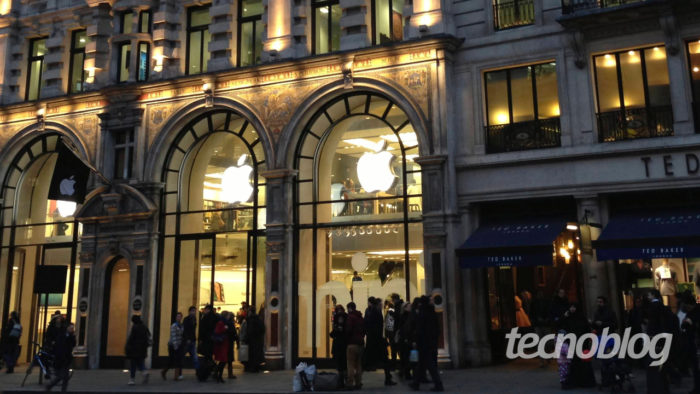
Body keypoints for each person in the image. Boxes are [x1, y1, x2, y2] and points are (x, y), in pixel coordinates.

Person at [410, 296, 444, 392]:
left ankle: (438, 384)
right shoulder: (432, 313)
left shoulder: (422, 313)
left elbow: (419, 330)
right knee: (421, 365)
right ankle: (416, 383)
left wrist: (416, 341)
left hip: (424, 344)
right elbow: (437, 329)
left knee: (429, 365)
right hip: (430, 343)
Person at [559, 303, 596, 388]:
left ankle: (584, 381)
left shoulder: (582, 318)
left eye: (574, 307)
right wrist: (564, 316)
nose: (572, 309)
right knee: (575, 362)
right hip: (573, 343)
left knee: (583, 362)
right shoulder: (568, 318)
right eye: (571, 307)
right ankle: (577, 381)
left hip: (582, 343)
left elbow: (586, 330)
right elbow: (560, 325)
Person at [363, 297, 396, 386]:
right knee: (384, 361)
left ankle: (388, 378)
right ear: (378, 304)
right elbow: (375, 328)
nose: (382, 306)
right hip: (376, 340)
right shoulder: (376, 313)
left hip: (373, 340)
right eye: (381, 304)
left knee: (369, 361)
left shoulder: (371, 312)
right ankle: (388, 379)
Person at [45, 322, 76, 392]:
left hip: (67, 359)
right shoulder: (62, 336)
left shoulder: (71, 336)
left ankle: (62, 390)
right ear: (67, 328)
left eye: (73, 328)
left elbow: (73, 344)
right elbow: (59, 347)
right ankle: (50, 386)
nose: (72, 329)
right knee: (61, 376)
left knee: (65, 377)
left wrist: (72, 336)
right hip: (60, 359)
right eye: (71, 328)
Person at [125, 315, 151, 385]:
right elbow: (148, 336)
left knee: (133, 365)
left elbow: (131, 338)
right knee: (141, 363)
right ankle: (144, 372)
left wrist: (127, 347)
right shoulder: (144, 327)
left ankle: (132, 379)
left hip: (134, 349)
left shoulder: (135, 327)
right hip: (142, 349)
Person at [345, 302, 365, 390]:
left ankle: (350, 383)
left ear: (349, 308)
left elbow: (348, 330)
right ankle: (358, 382)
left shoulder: (350, 317)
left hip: (352, 343)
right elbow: (364, 330)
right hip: (360, 343)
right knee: (359, 365)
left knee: (350, 365)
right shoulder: (360, 317)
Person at [161, 312, 184, 381]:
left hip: (179, 345)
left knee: (178, 360)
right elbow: (173, 336)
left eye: (180, 316)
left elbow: (182, 335)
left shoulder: (181, 325)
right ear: (176, 318)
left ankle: (176, 376)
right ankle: (164, 371)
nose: (179, 318)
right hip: (172, 345)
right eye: (178, 316)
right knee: (171, 361)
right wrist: (175, 346)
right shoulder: (174, 326)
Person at [330, 304, 348, 388]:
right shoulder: (346, 317)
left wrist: (335, 329)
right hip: (345, 344)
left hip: (339, 344)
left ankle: (342, 382)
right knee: (344, 364)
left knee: (340, 364)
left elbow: (334, 333)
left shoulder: (337, 317)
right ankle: (345, 381)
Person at [243, 306, 265, 372]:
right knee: (257, 354)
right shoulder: (259, 319)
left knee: (250, 354)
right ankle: (256, 367)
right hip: (258, 340)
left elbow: (248, 331)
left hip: (250, 340)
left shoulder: (248, 320)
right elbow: (263, 329)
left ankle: (250, 367)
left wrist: (246, 338)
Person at [212, 311, 230, 383]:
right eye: (228, 316)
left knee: (223, 361)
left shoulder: (223, 323)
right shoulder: (221, 323)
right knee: (223, 361)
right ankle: (217, 375)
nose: (229, 317)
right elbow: (217, 332)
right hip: (221, 345)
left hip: (223, 344)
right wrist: (225, 328)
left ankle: (218, 375)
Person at [397, 302, 414, 380]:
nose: (411, 307)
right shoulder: (406, 316)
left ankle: (403, 372)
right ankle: (406, 373)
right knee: (406, 357)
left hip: (404, 339)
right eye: (409, 306)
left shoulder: (405, 316)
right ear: (405, 308)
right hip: (405, 340)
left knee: (405, 357)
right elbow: (403, 329)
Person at [182, 306, 199, 372]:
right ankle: (179, 371)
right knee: (182, 356)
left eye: (194, 311)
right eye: (193, 311)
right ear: (189, 312)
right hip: (187, 341)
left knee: (195, 357)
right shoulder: (186, 319)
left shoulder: (194, 319)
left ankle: (198, 372)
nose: (194, 312)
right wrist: (187, 339)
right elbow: (185, 330)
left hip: (193, 340)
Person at [224, 311, 238, 379]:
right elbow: (234, 333)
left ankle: (217, 372)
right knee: (229, 359)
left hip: (226, 341)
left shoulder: (226, 323)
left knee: (225, 358)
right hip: (229, 342)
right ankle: (230, 374)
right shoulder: (231, 324)